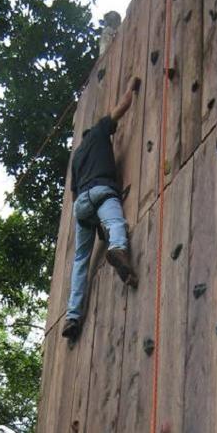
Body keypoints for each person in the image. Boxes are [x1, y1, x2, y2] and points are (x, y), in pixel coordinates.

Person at [62, 75, 141, 341]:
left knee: (80, 261)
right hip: (102, 191)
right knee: (116, 223)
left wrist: (91, 221)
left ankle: (72, 316)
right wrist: (131, 86)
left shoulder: (77, 158)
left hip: (82, 205)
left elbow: (74, 195)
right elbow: (122, 106)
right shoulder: (99, 132)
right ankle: (117, 248)